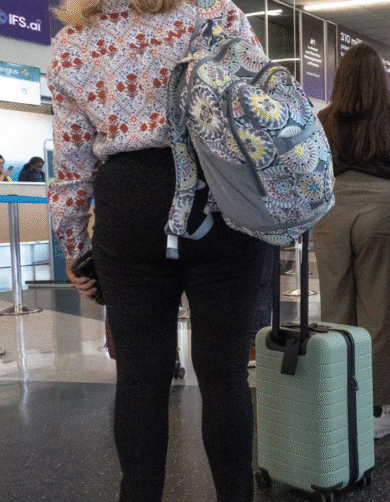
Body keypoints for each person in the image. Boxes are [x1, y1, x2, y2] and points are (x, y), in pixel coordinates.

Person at [49, 0, 271, 499]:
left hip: (129, 207)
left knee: (140, 378)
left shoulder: (74, 40)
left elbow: (71, 160)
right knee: (224, 374)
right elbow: (262, 114)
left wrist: (74, 243)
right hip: (219, 200)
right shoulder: (216, 15)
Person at [314, 43, 390, 438]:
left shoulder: (323, 119)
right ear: (381, 82)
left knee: (334, 305)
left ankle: (333, 400)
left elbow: (309, 169)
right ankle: (374, 410)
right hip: (385, 211)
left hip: (331, 208)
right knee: (380, 311)